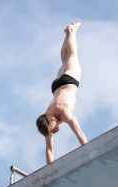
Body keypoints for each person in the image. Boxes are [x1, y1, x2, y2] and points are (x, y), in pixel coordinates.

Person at [36, 22, 87, 164]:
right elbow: (49, 150)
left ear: (52, 120)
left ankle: (72, 31)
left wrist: (89, 151)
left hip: (69, 81)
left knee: (72, 55)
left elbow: (79, 133)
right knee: (65, 60)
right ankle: (66, 34)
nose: (54, 132)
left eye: (53, 130)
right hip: (57, 86)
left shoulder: (63, 113)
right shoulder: (47, 122)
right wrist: (50, 169)